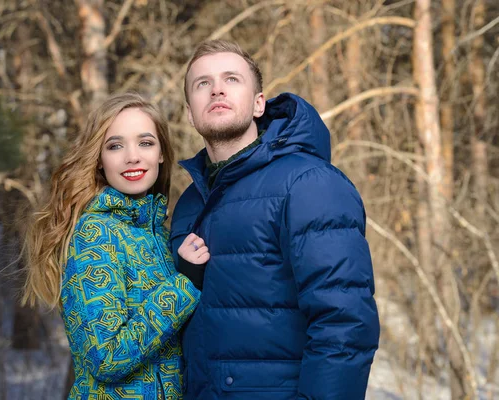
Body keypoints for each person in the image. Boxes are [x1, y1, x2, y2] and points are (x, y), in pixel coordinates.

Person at [169, 40, 380, 399]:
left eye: (231, 79)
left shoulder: (307, 183)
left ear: (258, 104)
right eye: (202, 83)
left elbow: (344, 324)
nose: (217, 88)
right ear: (190, 112)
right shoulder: (190, 202)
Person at [21, 92, 208, 400]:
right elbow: (106, 357)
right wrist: (184, 285)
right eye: (115, 145)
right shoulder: (95, 233)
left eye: (145, 143)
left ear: (162, 153)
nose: (132, 156)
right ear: (99, 159)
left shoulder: (156, 233)